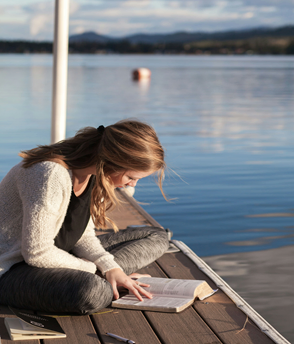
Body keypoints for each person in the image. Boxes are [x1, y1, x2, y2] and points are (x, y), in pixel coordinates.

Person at [0, 119, 169, 314]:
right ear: (111, 160)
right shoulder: (49, 174)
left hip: (61, 256)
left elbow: (83, 236)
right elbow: (37, 253)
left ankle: (114, 278)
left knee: (156, 237)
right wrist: (95, 270)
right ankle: (108, 281)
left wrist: (110, 268)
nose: (132, 185)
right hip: (12, 269)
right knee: (92, 291)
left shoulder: (92, 174)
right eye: (131, 177)